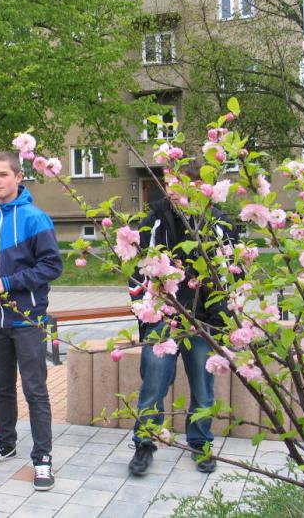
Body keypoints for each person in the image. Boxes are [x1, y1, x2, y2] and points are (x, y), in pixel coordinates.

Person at [127, 161, 235, 477]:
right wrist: (148, 317)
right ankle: (144, 443)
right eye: (169, 184)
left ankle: (200, 443)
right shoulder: (155, 220)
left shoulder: (217, 223)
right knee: (154, 382)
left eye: (180, 184)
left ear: (199, 187)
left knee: (203, 386)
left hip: (203, 320)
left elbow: (231, 273)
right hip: (163, 318)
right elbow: (137, 271)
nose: (173, 191)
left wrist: (221, 319)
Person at [0, 152, 63, 491]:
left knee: (35, 391)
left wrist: (7, 283)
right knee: (1, 387)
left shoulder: (36, 219)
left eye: (3, 174)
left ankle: (43, 457)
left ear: (19, 177)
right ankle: (5, 442)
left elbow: (52, 266)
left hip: (28, 320)